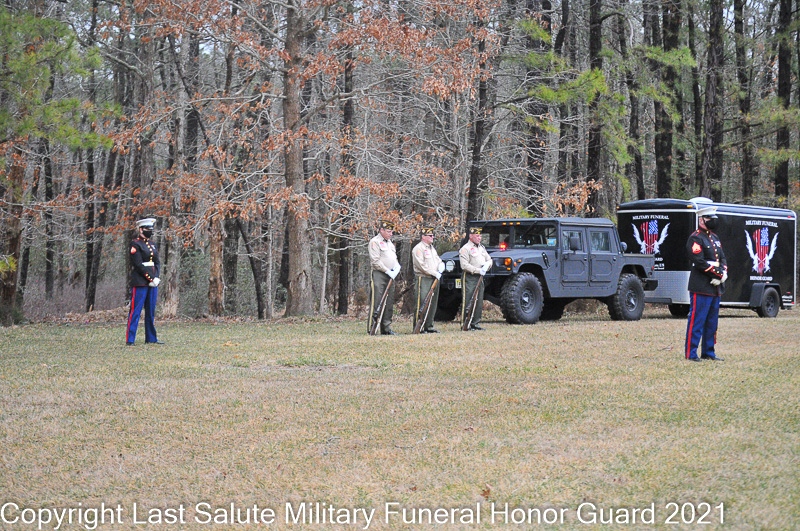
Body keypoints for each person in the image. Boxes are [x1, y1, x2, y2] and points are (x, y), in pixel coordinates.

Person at [685, 205, 727, 361]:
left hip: (715, 287)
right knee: (697, 321)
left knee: (711, 322)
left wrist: (723, 273)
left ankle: (709, 352)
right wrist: (718, 273)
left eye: (713, 218)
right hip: (701, 285)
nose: (712, 220)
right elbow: (699, 261)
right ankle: (691, 353)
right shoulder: (695, 238)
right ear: (701, 220)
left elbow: (722, 258)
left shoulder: (715, 237)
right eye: (709, 218)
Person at [126, 217, 163, 345]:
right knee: (135, 311)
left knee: (151, 311)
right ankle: (130, 339)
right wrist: (150, 278)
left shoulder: (152, 244)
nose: (149, 231)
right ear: (141, 230)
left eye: (151, 229)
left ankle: (151, 338)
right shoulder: (135, 244)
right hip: (140, 282)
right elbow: (138, 264)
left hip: (153, 283)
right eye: (147, 229)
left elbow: (157, 262)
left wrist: (156, 277)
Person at [368, 220, 401, 335]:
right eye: (388, 231)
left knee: (389, 302)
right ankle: (372, 326)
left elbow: (393, 258)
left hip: (391, 275)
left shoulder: (390, 243)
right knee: (377, 300)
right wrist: (387, 270)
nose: (391, 234)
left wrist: (396, 267)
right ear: (381, 230)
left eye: (391, 231)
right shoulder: (375, 242)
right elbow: (375, 261)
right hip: (379, 274)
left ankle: (386, 328)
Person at [412, 226, 444, 333]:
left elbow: (437, 260)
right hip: (424, 278)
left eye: (432, 235)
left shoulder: (432, 248)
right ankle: (418, 326)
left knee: (432, 303)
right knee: (422, 302)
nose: (432, 237)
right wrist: (434, 272)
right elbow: (421, 265)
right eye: (430, 235)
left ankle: (429, 326)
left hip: (434, 278)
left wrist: (441, 265)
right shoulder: (418, 248)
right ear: (423, 237)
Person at [459, 226, 492, 330]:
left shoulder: (481, 248)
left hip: (480, 277)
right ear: (471, 236)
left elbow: (489, 259)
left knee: (478, 300)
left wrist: (487, 266)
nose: (479, 238)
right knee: (469, 299)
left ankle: (475, 323)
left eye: (480, 236)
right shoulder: (465, 249)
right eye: (477, 236)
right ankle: (465, 323)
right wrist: (478, 270)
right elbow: (464, 265)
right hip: (470, 276)